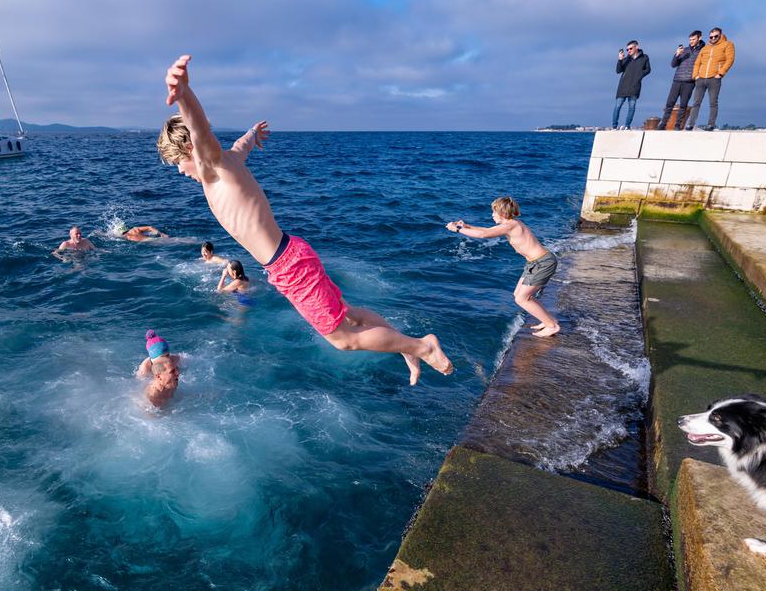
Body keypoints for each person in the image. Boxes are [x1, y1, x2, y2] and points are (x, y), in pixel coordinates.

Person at [157, 55, 452, 385]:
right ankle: (404, 347)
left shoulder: (212, 168)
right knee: (350, 314)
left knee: (342, 338)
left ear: (188, 150)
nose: (182, 173)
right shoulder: (229, 163)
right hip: (289, 256)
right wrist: (253, 133)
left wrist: (184, 94)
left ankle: (422, 346)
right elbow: (241, 146)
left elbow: (199, 130)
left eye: (178, 165)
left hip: (289, 265)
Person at [446, 197, 560, 338]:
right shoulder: (511, 224)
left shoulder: (511, 225)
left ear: (502, 213)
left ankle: (552, 326)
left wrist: (457, 229)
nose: (492, 215)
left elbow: (484, 234)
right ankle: (548, 320)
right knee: (518, 294)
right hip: (534, 263)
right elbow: (487, 230)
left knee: (522, 298)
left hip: (543, 263)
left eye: (494, 212)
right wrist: (466, 226)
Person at [686, 27, 736, 131]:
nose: (713, 38)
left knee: (713, 102)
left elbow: (730, 59)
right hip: (701, 78)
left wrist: (721, 73)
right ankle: (690, 124)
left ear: (721, 35)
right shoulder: (705, 48)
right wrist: (696, 76)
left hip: (714, 78)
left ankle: (710, 125)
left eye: (715, 36)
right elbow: (697, 63)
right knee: (696, 102)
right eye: (711, 37)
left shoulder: (728, 44)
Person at [657, 31, 705, 130]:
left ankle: (677, 125)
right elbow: (673, 65)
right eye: (690, 39)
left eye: (693, 39)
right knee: (670, 103)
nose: (691, 41)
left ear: (699, 38)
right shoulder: (685, 50)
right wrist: (677, 54)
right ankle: (663, 124)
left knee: (683, 105)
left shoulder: (703, 51)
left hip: (689, 81)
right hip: (677, 80)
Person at [136, 330, 181, 408]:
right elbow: (140, 383)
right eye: (162, 357)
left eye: (167, 355)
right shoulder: (145, 368)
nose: (178, 373)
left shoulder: (171, 360)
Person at [613, 40, 651, 130]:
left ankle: (627, 126)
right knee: (617, 106)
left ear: (636, 47)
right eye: (627, 49)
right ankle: (614, 126)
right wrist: (620, 60)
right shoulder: (626, 60)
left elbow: (648, 70)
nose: (628, 51)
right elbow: (618, 71)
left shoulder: (644, 57)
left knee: (632, 107)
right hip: (623, 87)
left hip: (634, 87)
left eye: (630, 48)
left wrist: (639, 76)